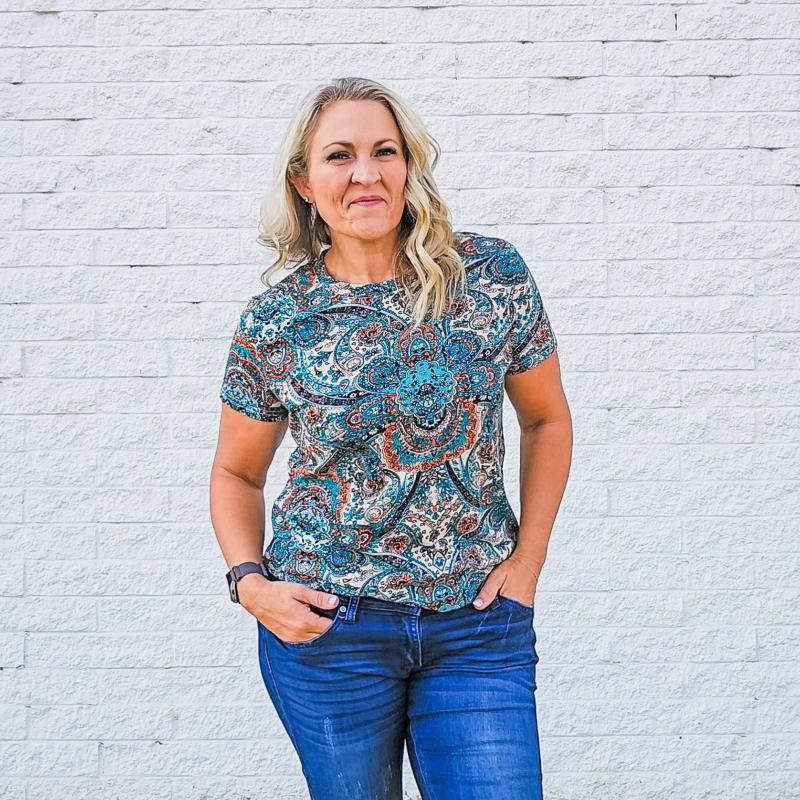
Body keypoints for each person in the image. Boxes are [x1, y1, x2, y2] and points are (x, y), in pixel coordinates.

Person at [209, 76, 573, 800]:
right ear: (304, 183)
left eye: (385, 151)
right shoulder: (276, 320)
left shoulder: (491, 277)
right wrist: (250, 585)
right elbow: (235, 475)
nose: (366, 174)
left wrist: (527, 563)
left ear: (410, 166)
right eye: (339, 156)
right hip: (329, 633)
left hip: (476, 625)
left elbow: (547, 420)